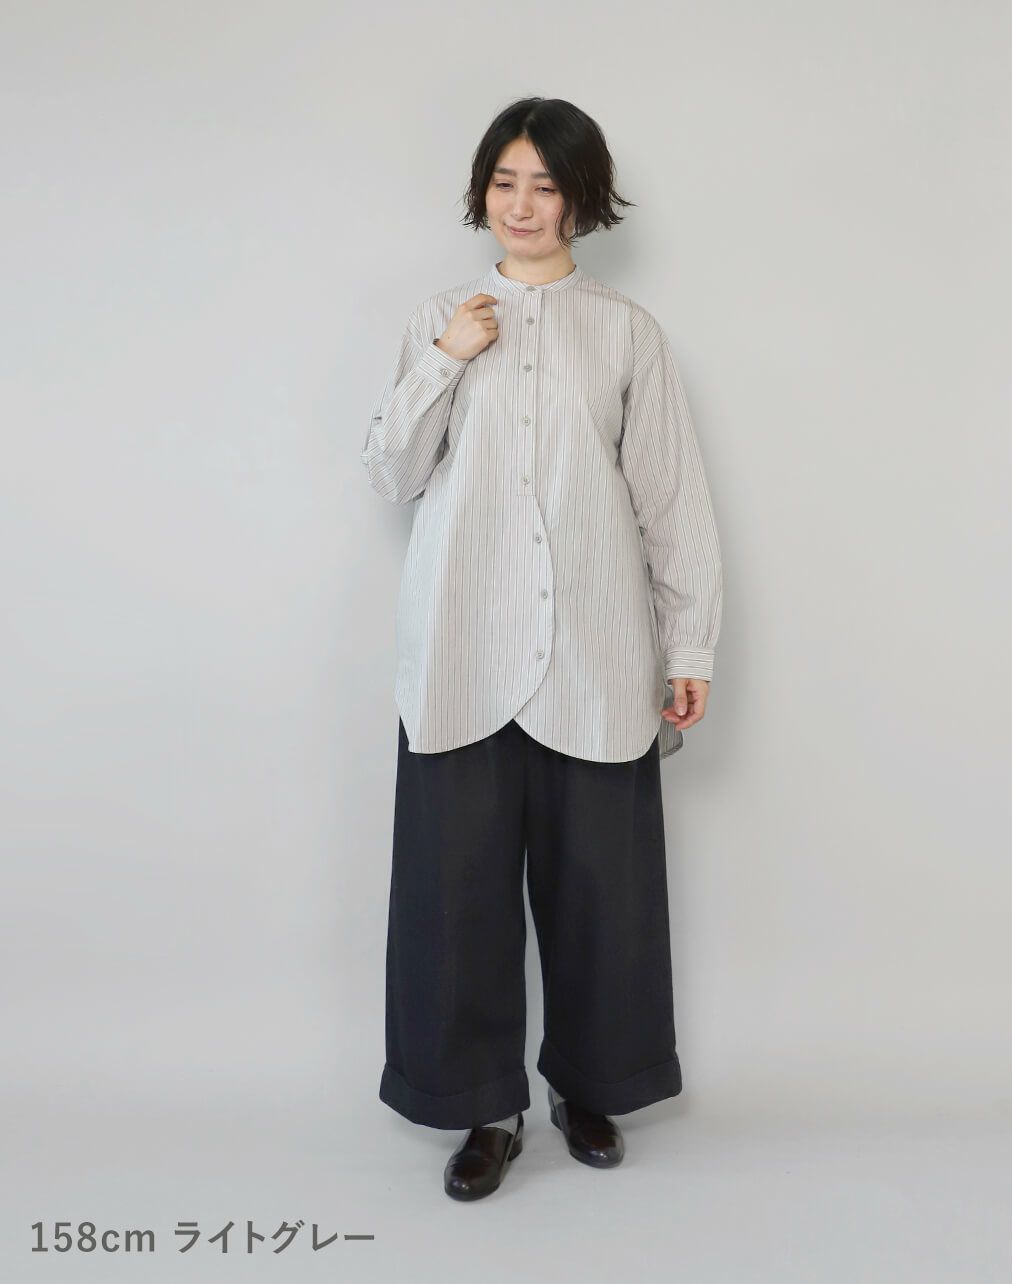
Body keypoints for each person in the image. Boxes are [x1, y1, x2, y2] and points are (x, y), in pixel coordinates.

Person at [362, 97, 724, 1201]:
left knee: (604, 893)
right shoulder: (440, 318)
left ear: (581, 199)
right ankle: (482, 1109)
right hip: (461, 654)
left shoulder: (625, 332)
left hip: (595, 652)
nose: (521, 205)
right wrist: (445, 359)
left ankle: (590, 1086)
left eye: (545, 185)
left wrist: (689, 645)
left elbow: (670, 499)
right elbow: (389, 473)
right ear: (483, 189)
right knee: (453, 898)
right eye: (504, 181)